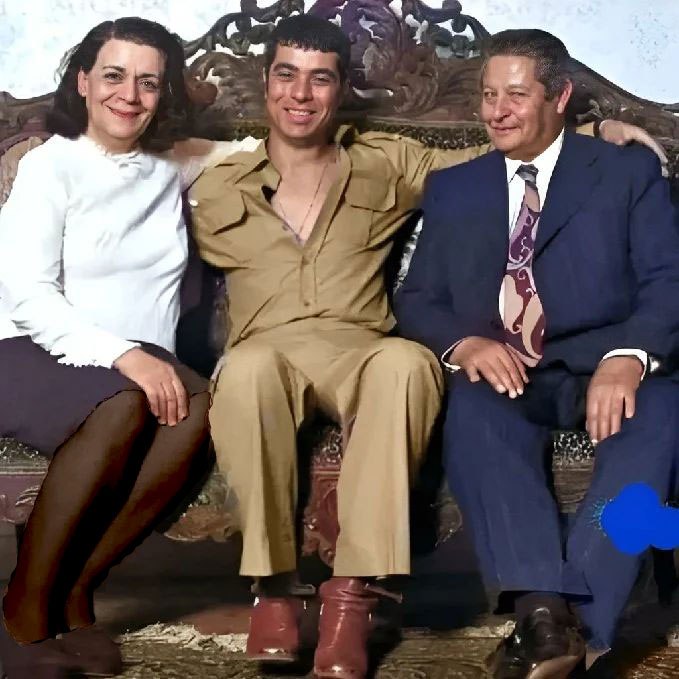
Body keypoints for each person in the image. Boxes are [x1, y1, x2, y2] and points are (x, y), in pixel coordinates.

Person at [188, 15, 664, 678]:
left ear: (341, 89)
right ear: (265, 82)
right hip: (286, 349)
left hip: (376, 348)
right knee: (258, 372)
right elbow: (131, 165)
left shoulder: (392, 161)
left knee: (410, 365)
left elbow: (516, 161)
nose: (300, 94)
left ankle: (378, 601)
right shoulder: (214, 177)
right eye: (286, 76)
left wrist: (596, 130)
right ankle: (277, 590)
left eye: (320, 79)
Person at [395, 28, 679, 679]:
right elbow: (418, 298)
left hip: (609, 364)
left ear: (560, 97)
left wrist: (628, 355)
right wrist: (464, 342)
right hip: (506, 370)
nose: (496, 111)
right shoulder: (454, 188)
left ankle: (568, 624)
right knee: (473, 411)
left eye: (515, 96)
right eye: (488, 95)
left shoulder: (623, 172)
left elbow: (668, 279)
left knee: (662, 423)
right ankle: (546, 612)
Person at [0, 17, 255, 679]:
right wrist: (125, 357)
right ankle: (22, 613)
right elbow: (28, 296)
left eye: (148, 82)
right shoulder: (49, 166)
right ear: (84, 81)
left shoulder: (175, 161)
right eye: (113, 76)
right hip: (28, 346)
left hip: (132, 357)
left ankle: (77, 590)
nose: (129, 95)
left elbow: (273, 147)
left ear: (164, 92)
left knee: (204, 408)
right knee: (122, 404)